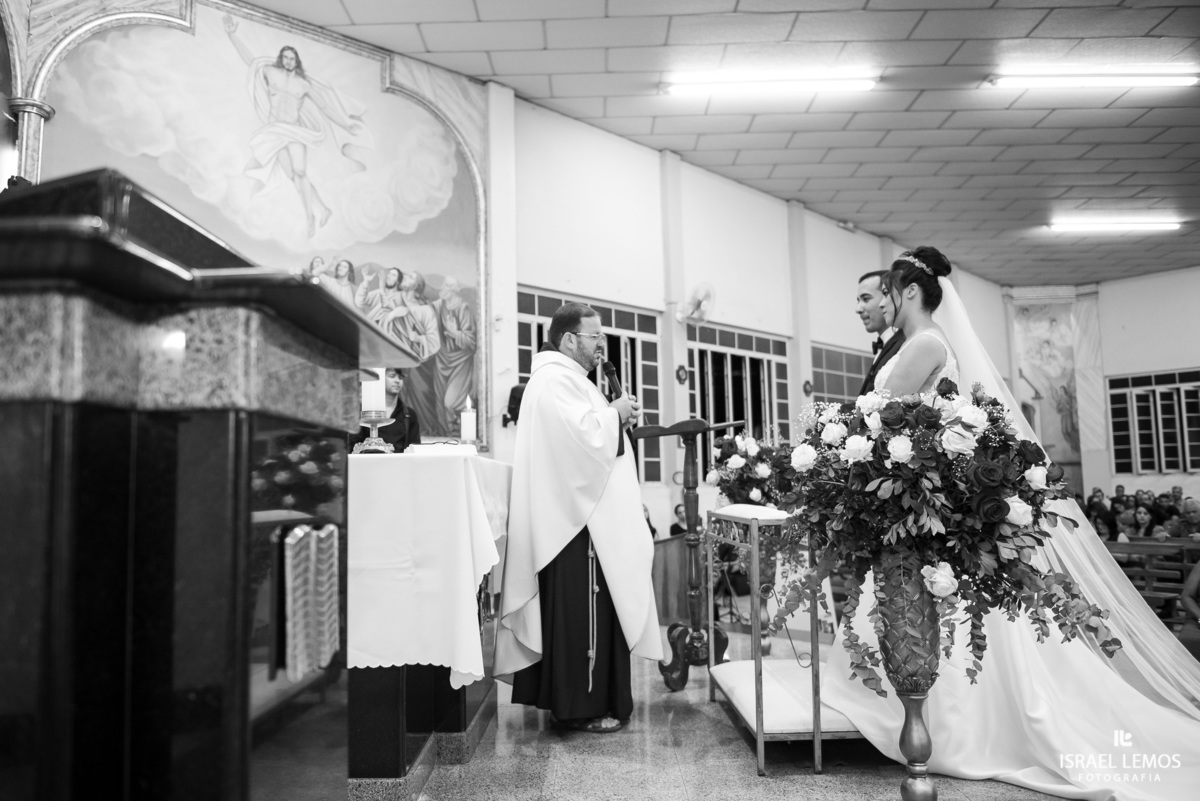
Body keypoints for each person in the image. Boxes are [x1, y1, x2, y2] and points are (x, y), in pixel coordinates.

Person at [821, 246, 1200, 801]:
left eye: (889, 291)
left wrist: (837, 434)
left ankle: (937, 722)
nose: (884, 301)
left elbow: (876, 413)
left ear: (906, 292)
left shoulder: (924, 342)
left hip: (910, 503)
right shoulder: (930, 343)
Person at [495, 303, 662, 734]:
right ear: (570, 340)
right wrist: (615, 415)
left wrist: (614, 417)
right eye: (595, 337)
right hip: (575, 528)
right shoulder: (553, 380)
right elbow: (581, 440)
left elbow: (588, 438)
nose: (601, 344)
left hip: (582, 520)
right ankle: (581, 707)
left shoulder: (568, 380)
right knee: (584, 614)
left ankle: (586, 701)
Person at [223, 16, 369, 238]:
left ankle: (310, 216)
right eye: (285, 57)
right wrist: (232, 35)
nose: (289, 61)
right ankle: (324, 209)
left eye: (292, 58)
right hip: (275, 131)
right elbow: (250, 60)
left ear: (297, 61)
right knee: (294, 176)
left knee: (300, 172)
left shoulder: (303, 84)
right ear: (281, 59)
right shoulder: (271, 73)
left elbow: (325, 106)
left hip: (295, 130)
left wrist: (346, 124)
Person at [432, 276, 477, 436]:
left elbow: (472, 342)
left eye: (446, 286)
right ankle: (449, 435)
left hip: (460, 362)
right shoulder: (438, 306)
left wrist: (455, 333)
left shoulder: (463, 309)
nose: (442, 289)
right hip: (442, 359)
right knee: (440, 402)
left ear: (452, 290)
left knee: (449, 403)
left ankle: (457, 433)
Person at [856, 270, 905, 395]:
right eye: (858, 301)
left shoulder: (905, 344)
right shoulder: (886, 344)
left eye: (866, 299)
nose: (858, 309)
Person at [349, 367, 420, 453]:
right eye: (392, 376)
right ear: (381, 379)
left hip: (398, 464)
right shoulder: (362, 412)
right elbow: (352, 446)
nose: (397, 381)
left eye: (400, 377)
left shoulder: (409, 415)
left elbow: (415, 449)